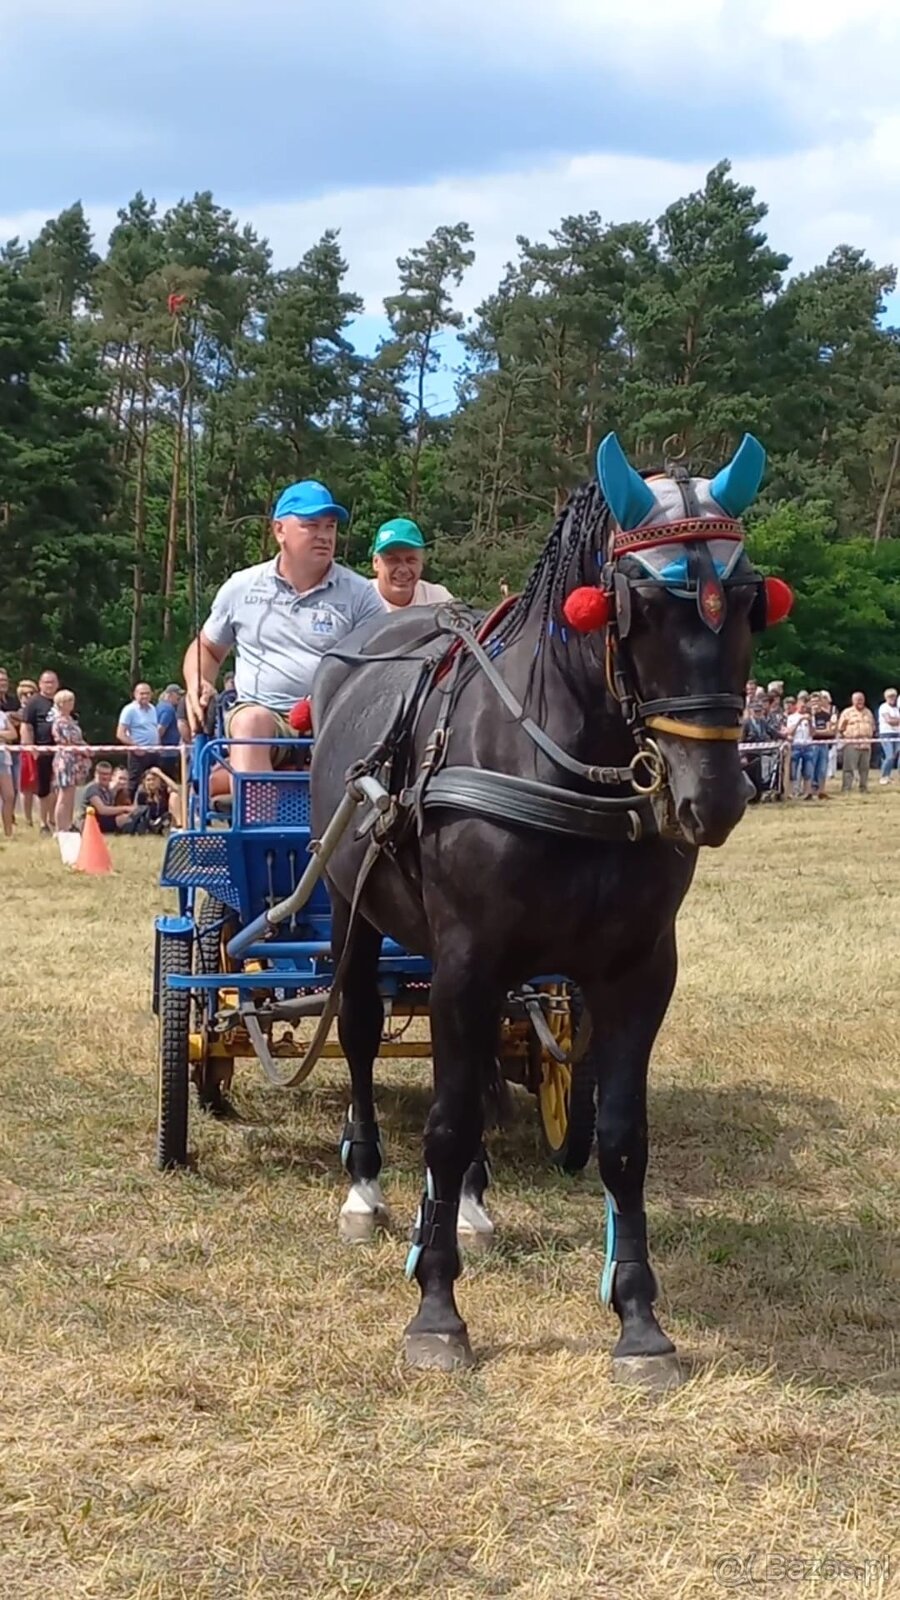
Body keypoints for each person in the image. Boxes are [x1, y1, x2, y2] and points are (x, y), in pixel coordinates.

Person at [182, 479, 384, 774]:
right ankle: (258, 805)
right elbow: (208, 649)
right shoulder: (241, 587)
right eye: (311, 525)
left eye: (330, 527)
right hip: (263, 718)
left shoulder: (360, 593)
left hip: (333, 719)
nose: (324, 536)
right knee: (251, 722)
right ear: (279, 530)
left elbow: (380, 665)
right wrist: (197, 682)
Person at [369, 518, 453, 611]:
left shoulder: (440, 600)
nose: (403, 569)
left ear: (421, 563)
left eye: (411, 561)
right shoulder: (360, 601)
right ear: (376, 562)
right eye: (393, 560)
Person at [19, 669, 59, 834]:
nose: (49, 685)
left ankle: (54, 819)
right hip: (42, 751)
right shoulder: (34, 702)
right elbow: (26, 726)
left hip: (60, 752)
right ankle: (43, 823)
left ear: (57, 684)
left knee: (59, 787)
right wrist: (31, 748)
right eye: (46, 682)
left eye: (52, 682)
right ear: (40, 684)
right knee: (43, 788)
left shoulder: (60, 701)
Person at [51, 689, 91, 833]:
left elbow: (78, 739)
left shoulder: (71, 720)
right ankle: (60, 827)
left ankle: (68, 824)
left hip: (75, 761)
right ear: (60, 703)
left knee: (71, 795)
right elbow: (68, 741)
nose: (71, 703)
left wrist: (87, 748)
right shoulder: (60, 721)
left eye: (72, 700)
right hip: (66, 760)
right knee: (64, 795)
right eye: (67, 701)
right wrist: (83, 749)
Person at [116, 682, 160, 797]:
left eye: (147, 693)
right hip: (138, 754)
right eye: (142, 693)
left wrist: (158, 746)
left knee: (154, 783)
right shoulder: (129, 710)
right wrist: (135, 747)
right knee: (134, 784)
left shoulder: (153, 709)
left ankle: (151, 805)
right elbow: (120, 733)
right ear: (135, 694)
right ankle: (129, 805)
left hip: (153, 753)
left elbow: (154, 728)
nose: (145, 696)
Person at [78, 760, 138, 833]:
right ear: (96, 774)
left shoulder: (107, 789)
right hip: (90, 822)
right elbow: (102, 810)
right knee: (124, 819)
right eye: (102, 774)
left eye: (107, 774)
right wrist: (126, 808)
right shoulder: (92, 788)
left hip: (102, 820)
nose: (105, 777)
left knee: (132, 816)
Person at [837, 692, 876, 793]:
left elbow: (873, 727)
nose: (860, 701)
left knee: (864, 768)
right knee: (848, 768)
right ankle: (846, 788)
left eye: (861, 699)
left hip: (866, 744)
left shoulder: (868, 712)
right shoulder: (847, 712)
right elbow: (840, 728)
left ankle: (863, 788)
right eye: (857, 699)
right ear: (852, 701)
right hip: (851, 744)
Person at [786, 691, 816, 800]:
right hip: (796, 745)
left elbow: (813, 733)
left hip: (807, 745)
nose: (804, 708)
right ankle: (791, 792)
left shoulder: (810, 717)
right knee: (793, 770)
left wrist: (810, 722)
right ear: (797, 705)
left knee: (808, 770)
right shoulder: (791, 717)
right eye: (802, 706)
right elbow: (790, 732)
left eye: (805, 707)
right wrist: (799, 721)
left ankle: (807, 792)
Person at [809, 691, 836, 799]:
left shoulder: (826, 715)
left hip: (823, 744)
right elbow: (810, 733)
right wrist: (819, 731)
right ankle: (810, 791)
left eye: (817, 701)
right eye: (813, 702)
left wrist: (817, 732)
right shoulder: (809, 716)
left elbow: (830, 731)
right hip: (812, 745)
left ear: (821, 702)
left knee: (822, 769)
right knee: (811, 768)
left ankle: (822, 791)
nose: (815, 704)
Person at [155, 684, 183, 779]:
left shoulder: (159, 706)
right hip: (168, 752)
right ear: (170, 695)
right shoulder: (168, 709)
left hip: (165, 751)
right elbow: (160, 729)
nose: (180, 697)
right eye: (178, 695)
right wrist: (158, 746)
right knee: (169, 779)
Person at [878, 687, 900, 784]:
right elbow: (890, 721)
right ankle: (884, 776)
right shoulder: (883, 707)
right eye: (890, 696)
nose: (892, 698)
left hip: (897, 733)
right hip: (886, 733)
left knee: (895, 756)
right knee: (889, 756)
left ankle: (891, 776)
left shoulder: (896, 709)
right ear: (886, 697)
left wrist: (896, 720)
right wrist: (896, 721)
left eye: (894, 696)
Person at [0, 703, 15, 836]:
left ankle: (8, 832)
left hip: (3, 757)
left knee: (9, 795)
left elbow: (13, 734)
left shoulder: (2, 715)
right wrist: (4, 735)